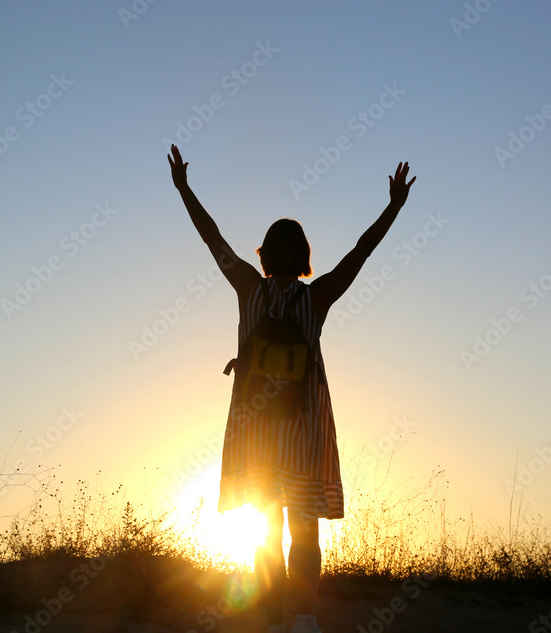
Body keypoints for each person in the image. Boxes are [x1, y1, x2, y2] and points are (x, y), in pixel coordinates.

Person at [167, 144, 414, 633]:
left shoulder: (248, 288)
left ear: (263, 254)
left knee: (265, 530)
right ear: (303, 256)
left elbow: (212, 237)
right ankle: (305, 620)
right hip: (303, 425)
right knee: (304, 530)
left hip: (256, 426)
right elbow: (360, 253)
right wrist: (393, 207)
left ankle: (268, 621)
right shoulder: (316, 296)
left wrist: (184, 189)